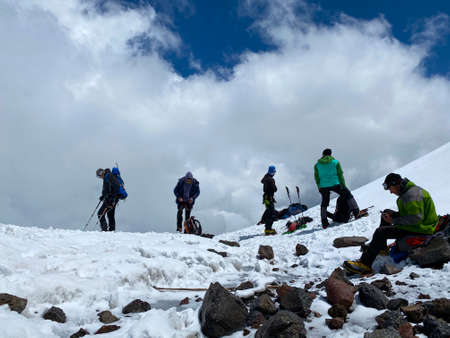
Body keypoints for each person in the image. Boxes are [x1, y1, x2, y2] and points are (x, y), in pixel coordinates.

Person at [344, 173, 439, 275]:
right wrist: (392, 217)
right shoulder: (409, 192)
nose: (390, 192)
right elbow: (410, 214)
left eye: (390, 188)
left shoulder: (412, 195)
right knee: (387, 213)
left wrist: (393, 220)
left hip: (422, 229)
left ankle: (365, 264)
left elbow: (415, 219)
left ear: (396, 184)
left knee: (380, 232)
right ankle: (381, 247)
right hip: (420, 225)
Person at [314, 148, 359, 228]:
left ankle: (324, 222)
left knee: (324, 203)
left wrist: (320, 188)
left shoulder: (317, 165)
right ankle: (356, 212)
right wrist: (343, 185)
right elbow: (340, 174)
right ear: (330, 154)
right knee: (348, 195)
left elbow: (317, 178)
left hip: (323, 186)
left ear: (323, 155)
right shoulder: (335, 162)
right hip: (335, 183)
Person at [260, 165, 278, 235]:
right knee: (271, 214)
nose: (274, 173)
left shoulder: (265, 177)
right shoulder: (271, 179)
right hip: (269, 198)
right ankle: (268, 229)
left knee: (269, 212)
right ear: (272, 172)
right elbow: (275, 189)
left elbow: (262, 181)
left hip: (266, 198)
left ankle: (267, 228)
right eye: (274, 172)